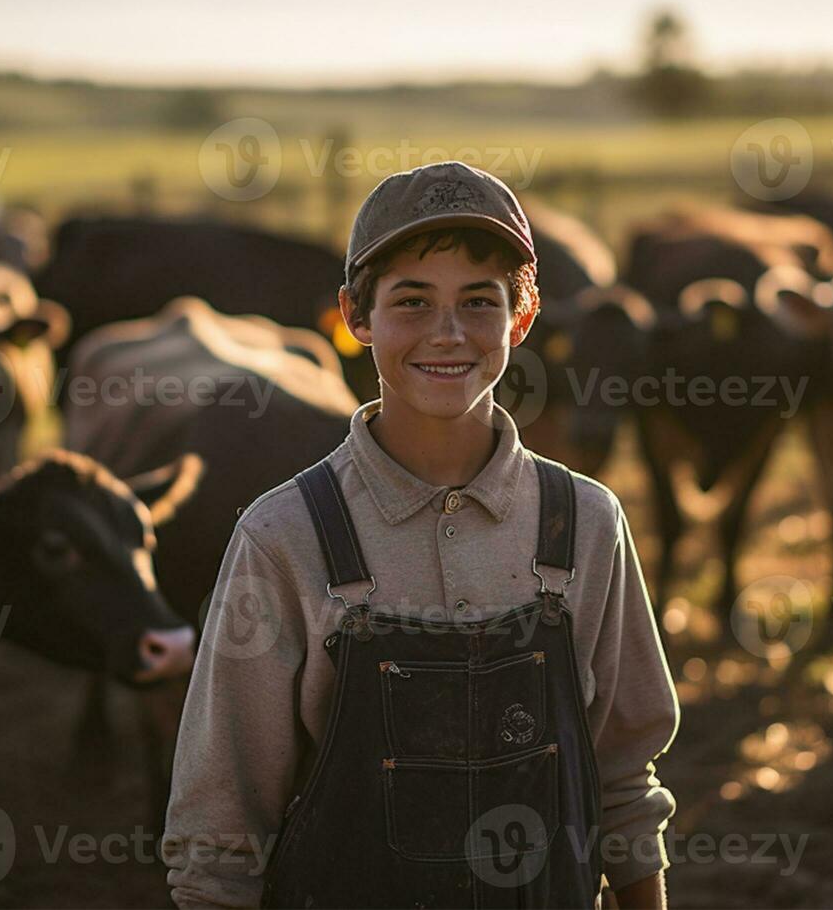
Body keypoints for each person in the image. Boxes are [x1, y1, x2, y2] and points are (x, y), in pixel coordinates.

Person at [162, 161, 679, 908]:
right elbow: (221, 827)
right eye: (411, 301)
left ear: (522, 317)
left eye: (478, 301)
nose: (448, 333)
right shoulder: (283, 537)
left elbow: (626, 780)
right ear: (354, 316)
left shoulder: (585, 524)